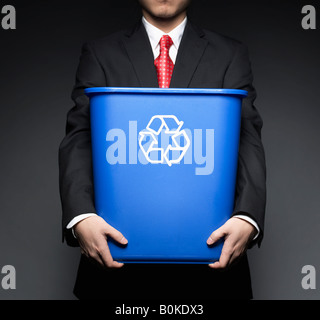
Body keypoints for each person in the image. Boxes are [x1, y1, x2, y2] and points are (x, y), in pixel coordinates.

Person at [59, 0, 266, 300]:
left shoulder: (230, 54)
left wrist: (247, 218)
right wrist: (81, 217)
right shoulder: (101, 53)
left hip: (211, 272)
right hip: (115, 272)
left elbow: (247, 138)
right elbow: (79, 137)